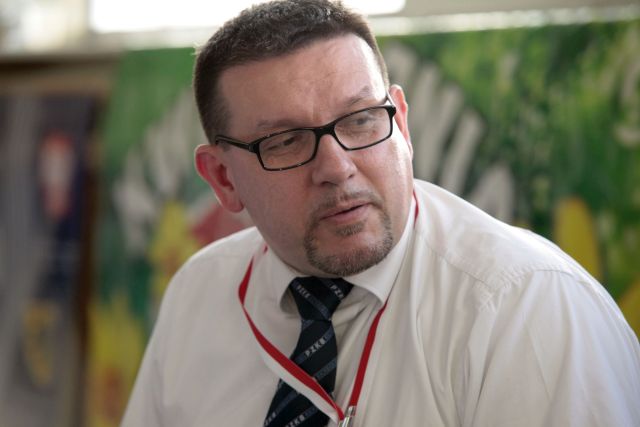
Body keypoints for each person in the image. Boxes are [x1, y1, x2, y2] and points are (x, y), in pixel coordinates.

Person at [121, 1, 640, 426]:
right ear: (223, 178)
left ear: (402, 125)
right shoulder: (199, 296)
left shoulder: (525, 306)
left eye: (362, 119)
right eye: (285, 141)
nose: (336, 167)